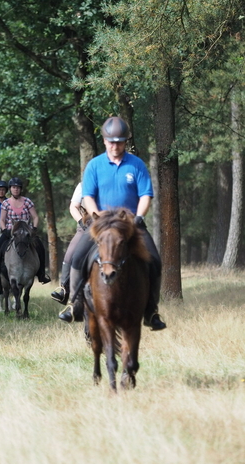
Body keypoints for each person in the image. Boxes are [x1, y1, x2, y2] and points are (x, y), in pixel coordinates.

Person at [58, 116, 166, 330]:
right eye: (111, 141)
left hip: (130, 224)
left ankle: (151, 311)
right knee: (78, 257)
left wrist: (139, 217)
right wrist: (97, 216)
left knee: (154, 260)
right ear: (105, 141)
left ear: (125, 142)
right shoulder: (94, 165)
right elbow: (87, 196)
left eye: (119, 141)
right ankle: (75, 304)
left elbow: (146, 194)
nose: (115, 146)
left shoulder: (136, 165)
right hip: (101, 224)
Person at [0, 177, 51, 285]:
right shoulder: (6, 203)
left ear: (20, 189)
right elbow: (2, 220)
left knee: (40, 247)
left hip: (26, 232)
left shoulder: (27, 202)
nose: (15, 189)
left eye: (17, 187)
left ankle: (41, 274)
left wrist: (34, 228)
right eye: (13, 187)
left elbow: (35, 217)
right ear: (10, 189)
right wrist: (4, 230)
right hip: (10, 231)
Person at [50, 182, 85, 304]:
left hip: (107, 225)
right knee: (69, 256)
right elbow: (73, 207)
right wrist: (81, 222)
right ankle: (64, 290)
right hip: (86, 226)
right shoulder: (83, 185)